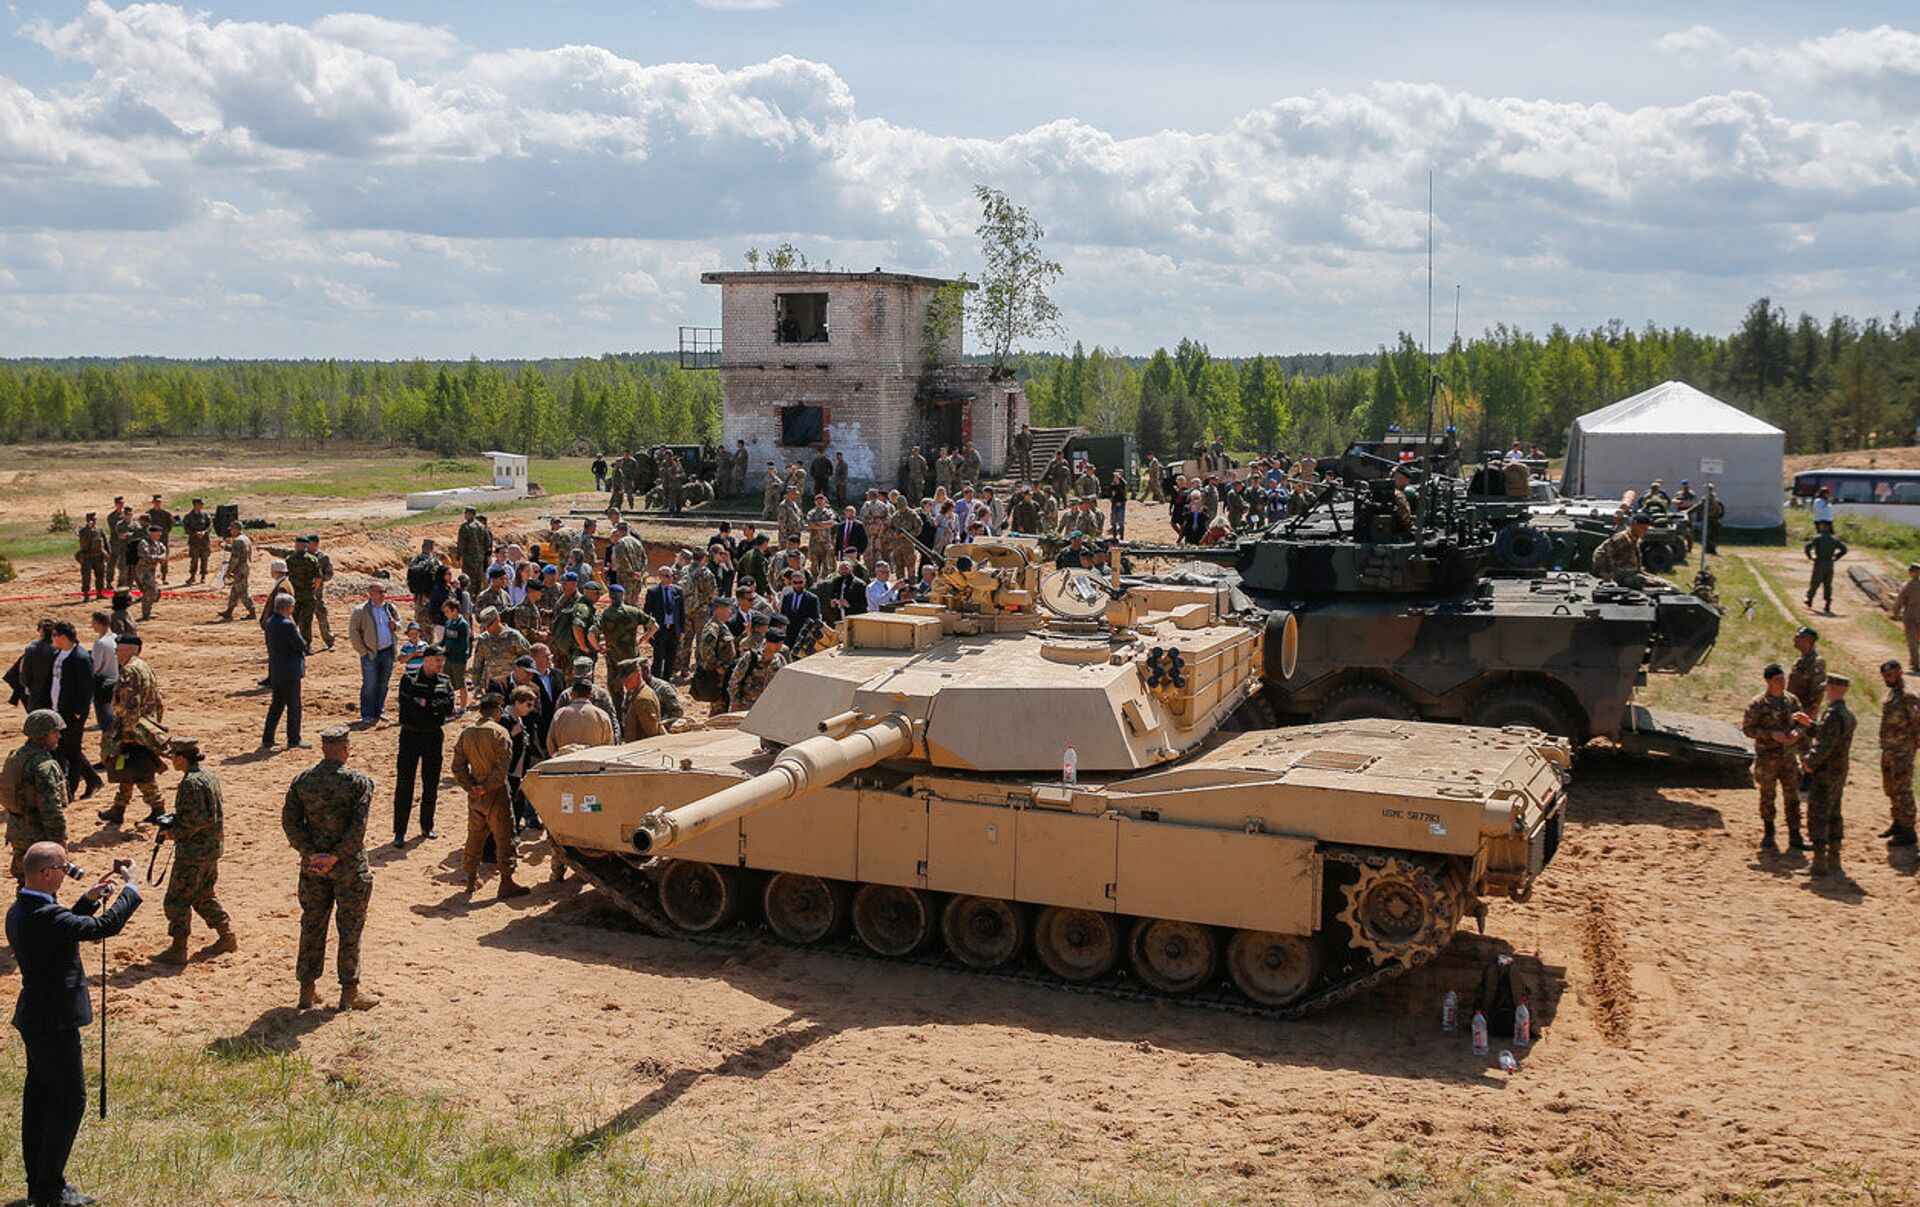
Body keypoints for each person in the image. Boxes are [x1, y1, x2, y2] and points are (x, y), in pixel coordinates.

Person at [7, 842, 141, 1207]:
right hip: (54, 1021)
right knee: (69, 1100)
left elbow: (64, 930)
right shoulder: (44, 915)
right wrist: (131, 889)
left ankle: (41, 1183)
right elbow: (104, 927)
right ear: (47, 873)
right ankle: (50, 1190)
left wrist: (87, 898)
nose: (69, 871)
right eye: (64, 867)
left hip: (37, 1017)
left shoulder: (23, 908)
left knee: (40, 1100)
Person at [283, 726, 376, 1011]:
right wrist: (336, 856)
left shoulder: (303, 781)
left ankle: (306, 991)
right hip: (348, 868)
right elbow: (357, 829)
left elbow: (290, 823)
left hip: (313, 870)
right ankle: (349, 994)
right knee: (350, 927)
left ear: (324, 749)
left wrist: (311, 854)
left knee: (312, 924)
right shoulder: (359, 782)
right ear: (346, 748)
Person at [152, 738, 235, 963]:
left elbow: (193, 821)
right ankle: (226, 935)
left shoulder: (190, 783)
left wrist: (172, 832)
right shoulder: (208, 776)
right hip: (211, 848)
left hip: (193, 852)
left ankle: (178, 949)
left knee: (177, 899)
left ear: (181, 758)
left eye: (173, 757)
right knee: (203, 894)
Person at [452, 696, 527, 899]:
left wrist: (471, 786)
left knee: (475, 835)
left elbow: (457, 766)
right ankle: (506, 881)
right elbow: (503, 769)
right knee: (505, 836)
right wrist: (486, 787)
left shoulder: (466, 733)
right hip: (496, 793)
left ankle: (470, 879)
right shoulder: (500, 733)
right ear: (496, 711)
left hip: (474, 794)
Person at [98, 634, 165, 828]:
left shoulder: (129, 670)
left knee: (138, 769)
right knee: (125, 767)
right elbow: (158, 700)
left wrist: (127, 733)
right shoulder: (145, 667)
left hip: (133, 729)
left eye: (117, 650)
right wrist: (154, 725)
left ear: (126, 649)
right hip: (147, 726)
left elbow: (128, 706)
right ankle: (118, 808)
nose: (116, 654)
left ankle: (158, 809)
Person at [393, 643, 455, 848]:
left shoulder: (445, 681)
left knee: (431, 783)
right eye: (437, 660)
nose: (441, 664)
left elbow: (448, 707)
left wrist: (426, 705)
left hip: (433, 737)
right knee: (405, 784)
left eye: (442, 660)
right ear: (427, 660)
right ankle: (399, 832)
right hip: (410, 736)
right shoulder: (409, 680)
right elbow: (407, 707)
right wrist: (432, 707)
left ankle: (426, 826)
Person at [1740, 663, 1805, 854]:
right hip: (1767, 759)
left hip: (1788, 759)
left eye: (1783, 678)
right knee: (1768, 796)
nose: (1782, 682)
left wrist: (1797, 732)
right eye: (1778, 679)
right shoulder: (1758, 704)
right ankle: (1769, 833)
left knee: (1792, 797)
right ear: (1768, 681)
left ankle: (1795, 835)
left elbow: (1802, 722)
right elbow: (1748, 729)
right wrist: (1770, 735)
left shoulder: (1791, 701)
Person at [1801, 674, 1855, 877]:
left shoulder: (1832, 714)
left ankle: (1819, 863)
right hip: (1839, 771)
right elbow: (1831, 736)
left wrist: (1809, 763)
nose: (1825, 691)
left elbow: (1825, 745)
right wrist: (1810, 725)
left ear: (1833, 689)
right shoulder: (1847, 714)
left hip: (1826, 771)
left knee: (1818, 814)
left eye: (1828, 688)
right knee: (1834, 812)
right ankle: (1834, 858)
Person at [5, 713, 68, 882]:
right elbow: (51, 809)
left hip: (17, 829)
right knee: (45, 882)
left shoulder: (15, 756)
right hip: (38, 832)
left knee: (24, 879)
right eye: (55, 732)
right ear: (42, 735)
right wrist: (59, 842)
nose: (59, 736)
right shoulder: (44, 766)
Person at [1877, 660, 1920, 849]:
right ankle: (1898, 822)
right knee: (1891, 788)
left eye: (1890, 675)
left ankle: (1908, 831)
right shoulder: (1893, 694)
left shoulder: (1908, 697)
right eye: (1885, 676)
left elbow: (1918, 724)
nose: (1887, 679)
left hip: (1902, 751)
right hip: (1889, 750)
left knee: (1903, 790)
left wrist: (1913, 748)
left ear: (1900, 673)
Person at [348, 584, 401, 726]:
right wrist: (363, 651)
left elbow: (400, 623)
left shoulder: (390, 608)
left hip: (388, 651)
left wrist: (395, 625)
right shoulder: (360, 611)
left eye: (384, 591)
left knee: (383, 684)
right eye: (380, 592)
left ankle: (379, 711)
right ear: (370, 593)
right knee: (370, 684)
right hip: (370, 653)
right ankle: (367, 714)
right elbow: (354, 632)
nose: (383, 594)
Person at [262, 594, 306, 752]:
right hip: (290, 671)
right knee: (294, 706)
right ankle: (294, 739)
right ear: (288, 608)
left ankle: (268, 738)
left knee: (277, 705)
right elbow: (300, 645)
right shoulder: (288, 625)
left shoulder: (270, 622)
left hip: (277, 670)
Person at [728, 623, 787, 712]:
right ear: (767, 642)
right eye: (776, 643)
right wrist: (735, 703)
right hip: (746, 706)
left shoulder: (780, 660)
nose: (779, 646)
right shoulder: (751, 658)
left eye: (780, 643)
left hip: (768, 708)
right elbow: (734, 680)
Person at [643, 570, 685, 683]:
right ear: (660, 577)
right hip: (659, 630)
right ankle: (656, 681)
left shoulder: (677, 590)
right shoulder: (653, 591)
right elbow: (646, 613)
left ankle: (667, 680)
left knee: (671, 657)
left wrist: (682, 630)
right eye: (667, 576)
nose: (670, 578)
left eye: (672, 575)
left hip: (673, 629)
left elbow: (681, 612)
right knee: (658, 657)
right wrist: (647, 632)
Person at [547, 681, 615, 750]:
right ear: (590, 695)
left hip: (566, 759)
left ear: (572, 694)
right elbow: (609, 744)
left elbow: (550, 743)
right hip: (593, 759)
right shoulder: (602, 715)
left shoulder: (560, 714)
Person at [1802, 523, 1847, 613]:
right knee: (1828, 584)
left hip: (1819, 562)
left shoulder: (1818, 538)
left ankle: (1809, 598)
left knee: (1815, 582)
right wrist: (1836, 557)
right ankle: (1827, 603)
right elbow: (1844, 549)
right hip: (1829, 563)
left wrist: (1810, 557)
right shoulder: (1835, 539)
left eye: (1821, 526)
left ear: (1824, 527)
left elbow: (1807, 547)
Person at [215, 522, 256, 621]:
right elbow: (239, 551)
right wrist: (226, 547)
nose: (230, 531)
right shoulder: (245, 539)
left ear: (236, 529)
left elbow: (235, 558)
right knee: (235, 590)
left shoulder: (238, 541)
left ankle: (252, 611)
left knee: (242, 591)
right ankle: (229, 611)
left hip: (240, 569)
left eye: (232, 529)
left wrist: (228, 571)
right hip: (245, 567)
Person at [439, 598, 472, 710]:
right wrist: (437, 648)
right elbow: (444, 639)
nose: (446, 614)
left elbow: (463, 644)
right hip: (448, 658)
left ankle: (463, 707)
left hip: (458, 659)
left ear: (455, 611)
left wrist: (447, 652)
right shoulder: (448, 623)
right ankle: (451, 705)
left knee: (460, 683)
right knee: (448, 682)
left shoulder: (463, 625)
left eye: (447, 611)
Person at [86, 614, 115, 738]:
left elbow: (95, 667)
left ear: (99, 623)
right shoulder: (116, 638)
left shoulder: (100, 643)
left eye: (93, 622)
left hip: (102, 685)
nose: (92, 626)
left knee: (105, 720)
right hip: (116, 681)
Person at [74, 513, 108, 601]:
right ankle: (86, 595)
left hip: (98, 556)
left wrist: (108, 553)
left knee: (100, 575)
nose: (92, 522)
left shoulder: (100, 529)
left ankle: (100, 593)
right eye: (91, 520)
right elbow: (82, 539)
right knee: (86, 577)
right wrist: (90, 529)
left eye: (94, 520)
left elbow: (105, 541)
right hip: (87, 557)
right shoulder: (83, 531)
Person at [1893, 563, 1920, 672]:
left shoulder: (1908, 585)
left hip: (1911, 614)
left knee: (1912, 640)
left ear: (1912, 573)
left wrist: (1895, 613)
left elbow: (1900, 600)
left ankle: (1916, 664)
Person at [181, 498, 213, 584]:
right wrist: (195, 533)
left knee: (204, 559)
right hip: (194, 541)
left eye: (201, 505)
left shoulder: (206, 515)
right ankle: (192, 576)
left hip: (204, 541)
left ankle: (203, 576)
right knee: (194, 559)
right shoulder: (188, 516)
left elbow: (210, 526)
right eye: (199, 504)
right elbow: (186, 528)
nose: (200, 506)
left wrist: (204, 532)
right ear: (195, 505)